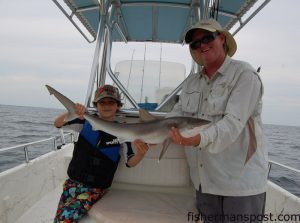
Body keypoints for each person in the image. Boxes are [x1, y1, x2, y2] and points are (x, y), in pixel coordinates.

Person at [169, 19, 268, 223]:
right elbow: (174, 118)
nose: (202, 45)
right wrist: (146, 135)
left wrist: (197, 139)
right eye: (195, 44)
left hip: (240, 186)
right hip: (204, 184)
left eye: (207, 38)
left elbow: (233, 124)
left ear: (221, 38)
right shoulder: (190, 82)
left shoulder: (245, 75)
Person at [53, 84, 149, 223]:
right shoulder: (84, 122)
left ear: (118, 105)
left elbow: (130, 162)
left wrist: (140, 154)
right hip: (73, 183)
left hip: (96, 189)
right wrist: (72, 112)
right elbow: (57, 124)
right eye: (102, 102)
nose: (106, 105)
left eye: (111, 102)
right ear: (96, 105)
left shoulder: (124, 132)